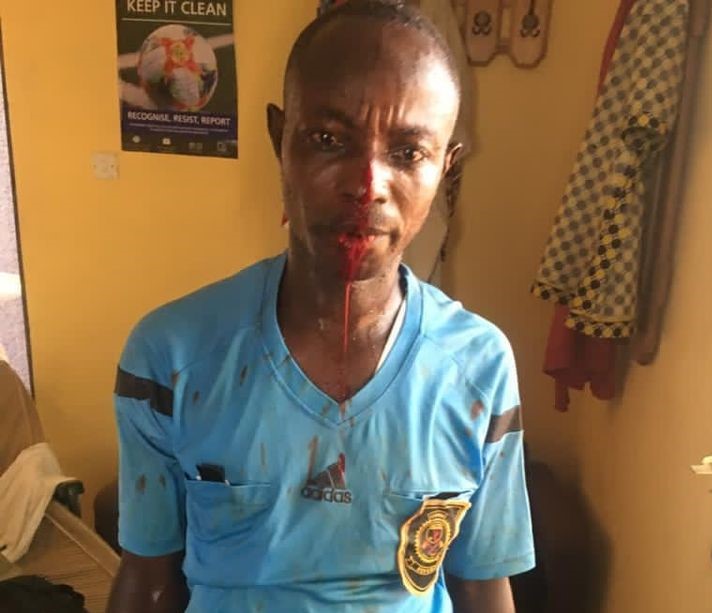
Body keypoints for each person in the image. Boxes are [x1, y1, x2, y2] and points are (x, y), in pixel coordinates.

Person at [107, 1, 535, 611]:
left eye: (408, 153)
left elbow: (482, 584)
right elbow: (148, 580)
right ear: (280, 139)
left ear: (447, 166)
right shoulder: (171, 357)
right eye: (329, 140)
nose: (367, 185)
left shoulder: (478, 368)